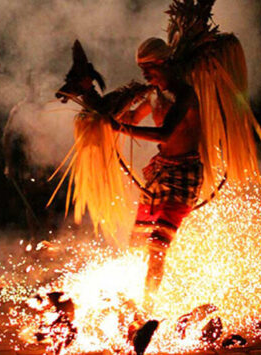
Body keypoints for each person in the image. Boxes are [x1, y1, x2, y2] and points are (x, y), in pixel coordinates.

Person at [110, 38, 204, 302]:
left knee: (157, 246)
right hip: (159, 173)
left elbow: (164, 134)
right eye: (142, 69)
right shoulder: (153, 95)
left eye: (148, 67)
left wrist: (120, 129)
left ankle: (147, 307)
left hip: (184, 177)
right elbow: (130, 119)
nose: (144, 74)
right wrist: (101, 114)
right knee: (137, 241)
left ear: (163, 62)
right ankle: (128, 298)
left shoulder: (185, 95)